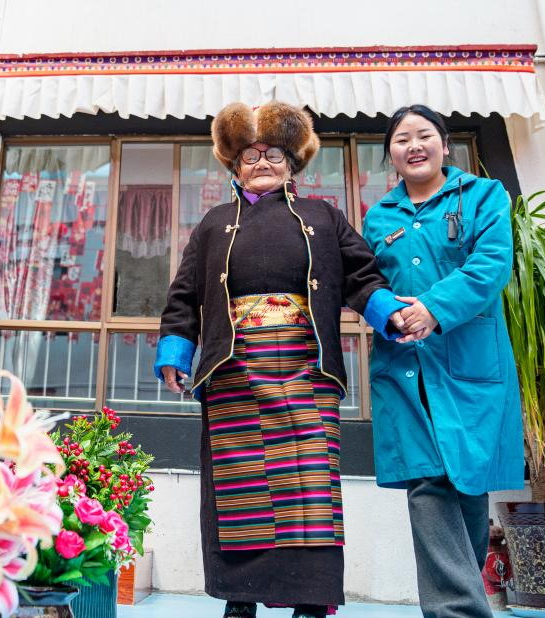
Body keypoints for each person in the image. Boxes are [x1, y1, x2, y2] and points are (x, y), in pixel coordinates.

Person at [154, 101, 407, 618]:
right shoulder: (213, 224)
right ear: (235, 167)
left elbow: (362, 275)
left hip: (306, 368)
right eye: (250, 156)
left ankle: (310, 601)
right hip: (233, 371)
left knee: (310, 487)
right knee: (238, 487)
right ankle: (239, 599)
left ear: (292, 164)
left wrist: (391, 313)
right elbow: (183, 296)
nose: (262, 163)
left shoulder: (324, 217)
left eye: (273, 154)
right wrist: (176, 350)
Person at [362, 104, 524, 618]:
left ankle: (461, 604)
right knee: (429, 482)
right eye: (401, 139)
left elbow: (491, 264)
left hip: (469, 363)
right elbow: (367, 282)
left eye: (424, 135)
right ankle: (458, 612)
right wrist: (388, 313)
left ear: (445, 144)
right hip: (404, 367)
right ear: (391, 154)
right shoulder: (378, 217)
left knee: (467, 483)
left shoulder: (483, 196)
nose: (414, 145)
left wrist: (434, 308)